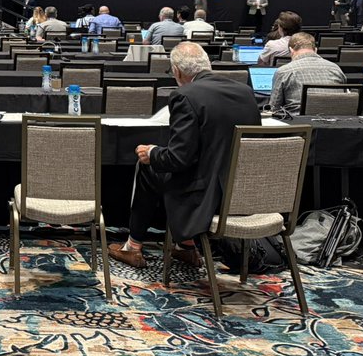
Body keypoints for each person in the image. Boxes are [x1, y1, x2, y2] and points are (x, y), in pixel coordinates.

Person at [108, 42, 261, 268]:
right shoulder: (245, 92)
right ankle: (185, 247)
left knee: (148, 167)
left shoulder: (185, 95)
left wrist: (152, 152)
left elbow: (178, 160)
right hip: (243, 196)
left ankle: (134, 247)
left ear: (177, 72)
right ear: (207, 65)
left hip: (206, 200)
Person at [268, 33, 347, 114]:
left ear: (291, 50)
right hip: (337, 120)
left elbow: (274, 108)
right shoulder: (336, 68)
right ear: (316, 50)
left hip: (298, 123)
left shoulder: (283, 71)